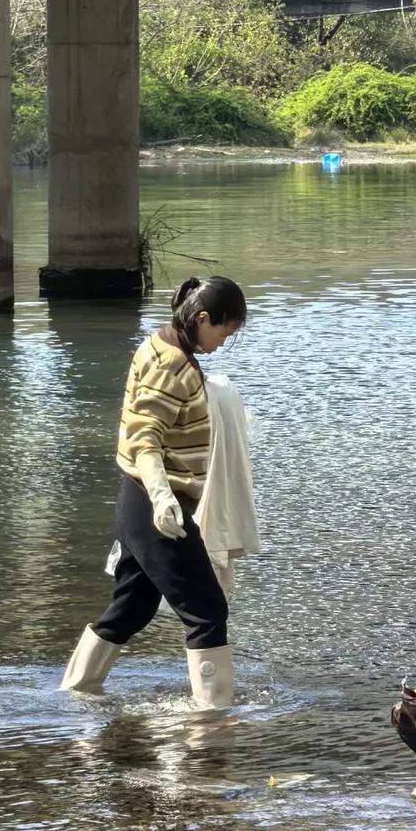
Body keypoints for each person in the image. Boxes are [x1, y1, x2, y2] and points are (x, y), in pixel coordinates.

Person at [60, 275, 249, 711]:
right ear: (202, 319)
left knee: (132, 607)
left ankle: (75, 693)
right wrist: (164, 498)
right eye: (224, 330)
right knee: (207, 611)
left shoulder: (160, 345)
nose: (224, 341)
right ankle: (214, 717)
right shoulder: (172, 365)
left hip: (137, 502)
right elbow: (145, 437)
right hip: (153, 505)